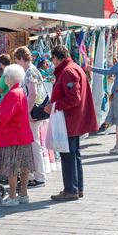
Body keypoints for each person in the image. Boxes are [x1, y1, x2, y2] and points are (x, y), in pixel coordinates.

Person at [45, 45, 98, 201]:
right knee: (74, 155)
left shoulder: (68, 71)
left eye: (52, 59)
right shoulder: (73, 67)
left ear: (56, 57)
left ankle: (71, 190)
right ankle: (77, 188)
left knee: (68, 155)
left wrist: (54, 105)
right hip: (73, 119)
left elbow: (74, 98)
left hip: (70, 120)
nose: (52, 62)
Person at [0, 64, 35, 207]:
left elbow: (2, 117)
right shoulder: (20, 91)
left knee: (12, 167)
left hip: (13, 136)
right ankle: (23, 194)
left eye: (4, 76)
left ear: (9, 78)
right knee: (24, 166)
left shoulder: (13, 94)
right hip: (22, 134)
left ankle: (12, 197)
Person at [14, 46, 47, 188]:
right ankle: (34, 175)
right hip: (34, 111)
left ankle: (39, 176)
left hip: (33, 113)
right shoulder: (32, 70)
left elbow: (32, 94)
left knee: (34, 144)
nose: (16, 63)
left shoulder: (29, 72)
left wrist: (27, 112)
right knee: (33, 144)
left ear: (21, 58)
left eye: (16, 60)